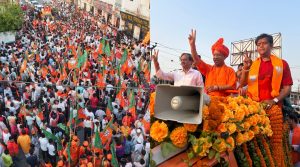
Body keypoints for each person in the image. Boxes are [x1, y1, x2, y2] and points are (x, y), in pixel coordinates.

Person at [239, 33, 293, 167]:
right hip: (253, 110)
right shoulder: (253, 65)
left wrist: (274, 100)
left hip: (273, 111)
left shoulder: (282, 64)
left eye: (264, 43)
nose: (261, 46)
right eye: (258, 44)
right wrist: (245, 67)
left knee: (274, 147)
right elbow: (242, 83)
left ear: (271, 45)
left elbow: (287, 88)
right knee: (253, 146)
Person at [188, 29, 237, 96]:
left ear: (224, 57)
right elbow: (197, 60)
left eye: (218, 55)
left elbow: (232, 85)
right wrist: (192, 45)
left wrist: (217, 88)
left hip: (224, 103)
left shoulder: (230, 70)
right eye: (214, 55)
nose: (215, 57)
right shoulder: (208, 69)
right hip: (208, 101)